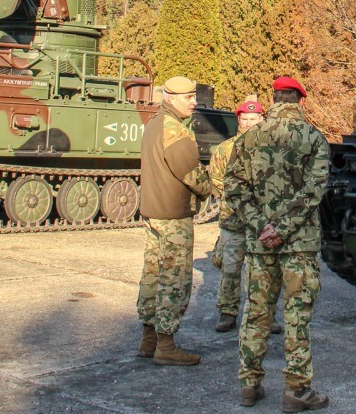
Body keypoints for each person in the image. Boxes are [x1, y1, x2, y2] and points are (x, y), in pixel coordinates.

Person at [225, 76, 330, 412]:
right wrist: (283, 228)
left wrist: (262, 227)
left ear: (273, 100)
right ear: (300, 101)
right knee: (297, 316)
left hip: (260, 245)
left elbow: (234, 188)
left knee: (256, 314)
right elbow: (314, 190)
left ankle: (249, 384)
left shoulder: (250, 138)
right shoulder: (314, 138)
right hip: (299, 245)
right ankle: (297, 390)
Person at [136, 75, 212, 366]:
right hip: (174, 215)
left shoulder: (154, 124)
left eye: (193, 96)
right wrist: (209, 189)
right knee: (175, 278)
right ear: (170, 98)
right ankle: (165, 345)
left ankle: (149, 339)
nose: (194, 102)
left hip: (154, 212)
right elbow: (191, 173)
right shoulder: (175, 131)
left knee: (152, 274)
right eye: (188, 97)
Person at [209, 98, 282, 335]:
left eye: (254, 119)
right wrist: (239, 199)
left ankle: (263, 315)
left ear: (262, 119)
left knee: (261, 271)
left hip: (261, 221)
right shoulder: (225, 149)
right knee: (230, 269)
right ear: (239, 119)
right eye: (245, 119)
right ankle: (228, 312)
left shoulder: (271, 149)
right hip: (233, 219)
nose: (249, 123)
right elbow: (216, 179)